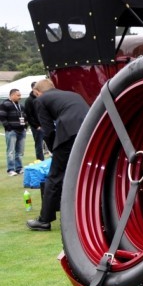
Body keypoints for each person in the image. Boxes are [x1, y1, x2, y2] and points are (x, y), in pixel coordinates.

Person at [26, 80, 88, 231]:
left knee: (54, 176)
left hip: (68, 134)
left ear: (37, 92)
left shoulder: (40, 100)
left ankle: (44, 220)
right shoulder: (72, 94)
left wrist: (54, 148)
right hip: (89, 131)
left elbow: (47, 129)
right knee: (83, 173)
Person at [1, 88, 27, 176]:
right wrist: (8, 128)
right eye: (18, 95)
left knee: (20, 151)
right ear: (12, 95)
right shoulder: (5, 104)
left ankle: (19, 168)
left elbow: (25, 116)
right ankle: (11, 169)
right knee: (11, 151)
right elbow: (2, 116)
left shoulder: (21, 106)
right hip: (12, 131)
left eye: (20, 95)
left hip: (21, 130)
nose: (20, 97)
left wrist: (25, 126)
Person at [24, 81, 46, 161]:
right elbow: (29, 115)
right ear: (33, 89)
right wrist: (36, 126)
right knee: (39, 145)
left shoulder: (42, 98)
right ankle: (40, 160)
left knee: (50, 142)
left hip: (45, 124)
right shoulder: (29, 100)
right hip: (37, 127)